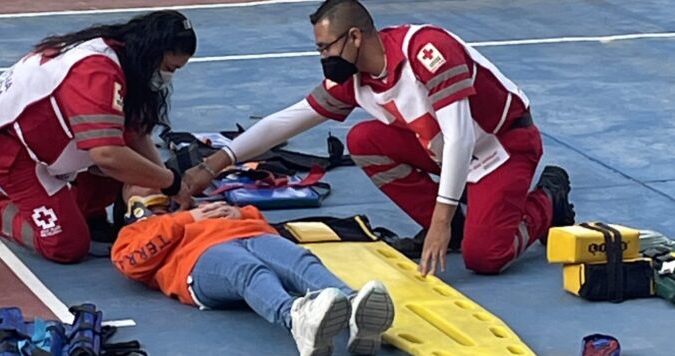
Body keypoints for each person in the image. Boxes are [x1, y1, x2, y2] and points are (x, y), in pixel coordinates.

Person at [180, 0, 576, 276]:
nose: (322, 58)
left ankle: (546, 201)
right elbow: (288, 120)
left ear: (354, 37)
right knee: (365, 139)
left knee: (486, 257)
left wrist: (437, 221)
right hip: (448, 152)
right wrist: (215, 164)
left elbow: (460, 139)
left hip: (502, 147)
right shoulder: (354, 78)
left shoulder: (426, 50)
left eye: (325, 47)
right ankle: (457, 223)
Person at [0, 11, 196, 263]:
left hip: (48, 138)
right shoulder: (95, 73)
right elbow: (107, 154)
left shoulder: (124, 57)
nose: (167, 77)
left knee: (130, 162)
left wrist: (166, 182)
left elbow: (136, 134)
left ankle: (88, 212)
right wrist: (169, 181)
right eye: (168, 68)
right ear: (151, 52)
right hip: (9, 150)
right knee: (65, 245)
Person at [112, 186, 395, 356]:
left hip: (250, 235)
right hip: (197, 260)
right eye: (135, 182)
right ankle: (295, 319)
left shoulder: (208, 205)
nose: (147, 180)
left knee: (298, 259)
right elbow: (133, 264)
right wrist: (184, 219)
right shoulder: (134, 230)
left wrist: (241, 214)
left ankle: (354, 306)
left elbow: (264, 225)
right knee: (246, 270)